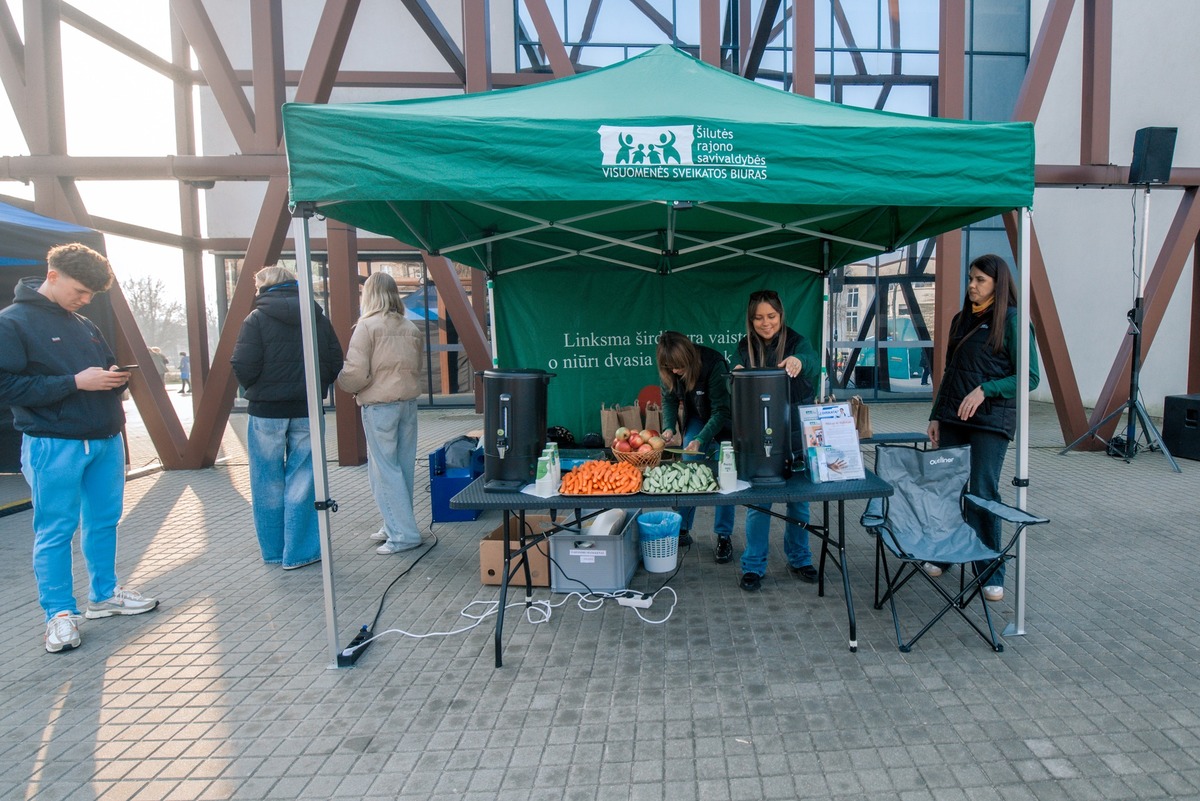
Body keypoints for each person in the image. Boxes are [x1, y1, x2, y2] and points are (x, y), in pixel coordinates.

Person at [0, 243, 158, 653]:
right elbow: (5, 386)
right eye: (81, 291)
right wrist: (75, 382)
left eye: (91, 294)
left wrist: (111, 378)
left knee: (104, 521)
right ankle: (59, 615)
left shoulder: (85, 323)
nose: (85, 300)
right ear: (53, 276)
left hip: (104, 439)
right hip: (53, 444)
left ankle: (104, 596)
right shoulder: (12, 323)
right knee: (55, 530)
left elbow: (102, 366)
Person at [926, 254, 1039, 602]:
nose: (971, 285)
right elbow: (949, 372)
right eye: (970, 278)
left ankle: (990, 569)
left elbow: (1029, 377)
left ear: (998, 284)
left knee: (983, 493)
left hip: (991, 422)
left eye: (980, 280)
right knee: (946, 488)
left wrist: (986, 389)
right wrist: (935, 415)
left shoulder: (1015, 321)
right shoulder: (961, 320)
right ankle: (946, 553)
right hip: (952, 418)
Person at [231, 265, 343, 570]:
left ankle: (273, 551)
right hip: (306, 408)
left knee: (266, 479)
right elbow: (334, 360)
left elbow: (242, 363)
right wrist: (316, 386)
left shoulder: (255, 319)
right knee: (304, 478)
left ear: (263, 287)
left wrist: (257, 387)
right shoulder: (316, 317)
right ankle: (300, 553)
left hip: (266, 411)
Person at [733, 289, 820, 592]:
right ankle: (753, 565)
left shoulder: (797, 341)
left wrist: (798, 361)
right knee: (758, 503)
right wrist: (736, 375)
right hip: (758, 435)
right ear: (751, 320)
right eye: (758, 318)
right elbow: (734, 375)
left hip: (795, 432)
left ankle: (800, 558)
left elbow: (811, 360)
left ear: (781, 316)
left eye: (771, 316)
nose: (765, 323)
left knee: (799, 502)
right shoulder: (744, 346)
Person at [336, 272, 426, 555]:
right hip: (408, 404)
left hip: (379, 406)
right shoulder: (411, 328)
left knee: (384, 472)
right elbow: (417, 367)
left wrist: (345, 384)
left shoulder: (366, 327)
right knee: (402, 468)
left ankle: (403, 534)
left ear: (369, 295)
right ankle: (395, 525)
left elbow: (355, 373)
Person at [656, 330, 734, 558]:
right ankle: (682, 527)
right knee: (689, 460)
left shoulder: (714, 363)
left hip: (726, 420)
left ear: (689, 358)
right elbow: (669, 399)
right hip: (698, 416)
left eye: (678, 367)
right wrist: (669, 427)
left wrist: (702, 439)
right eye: (670, 368)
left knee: (724, 473)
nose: (675, 371)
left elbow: (721, 410)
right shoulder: (670, 367)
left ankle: (723, 536)